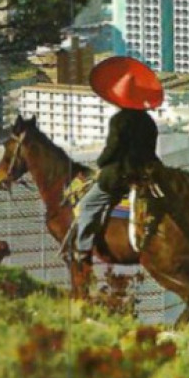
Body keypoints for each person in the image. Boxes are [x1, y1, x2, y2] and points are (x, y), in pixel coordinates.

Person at [71, 56, 162, 264]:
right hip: (147, 173)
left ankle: (83, 249)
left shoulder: (119, 120)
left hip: (119, 175)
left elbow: (112, 150)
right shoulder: (149, 122)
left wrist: (101, 163)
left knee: (87, 205)